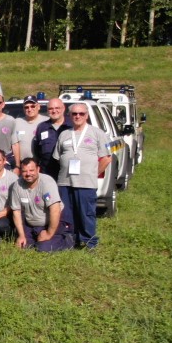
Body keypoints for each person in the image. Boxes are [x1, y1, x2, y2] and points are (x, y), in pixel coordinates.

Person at [52, 102, 110, 249]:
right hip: (65, 182)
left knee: (86, 214)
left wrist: (93, 173)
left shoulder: (97, 133)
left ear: (87, 115)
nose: (78, 116)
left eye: (81, 113)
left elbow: (106, 158)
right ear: (70, 115)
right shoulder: (64, 134)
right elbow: (58, 157)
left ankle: (90, 243)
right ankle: (71, 241)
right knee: (67, 214)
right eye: (74, 114)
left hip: (86, 183)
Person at [9, 158, 74, 252]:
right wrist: (21, 235)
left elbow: (55, 210)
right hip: (31, 224)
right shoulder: (17, 185)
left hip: (53, 222)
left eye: (31, 170)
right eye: (24, 171)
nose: (28, 174)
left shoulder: (47, 182)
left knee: (43, 248)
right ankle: (35, 237)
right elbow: (16, 211)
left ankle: (67, 239)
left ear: (38, 169)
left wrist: (49, 233)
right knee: (25, 246)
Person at [32, 98, 72, 180]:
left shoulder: (72, 125)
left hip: (68, 172)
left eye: (57, 108)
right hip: (47, 172)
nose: (54, 111)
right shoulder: (42, 127)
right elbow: (37, 150)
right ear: (47, 110)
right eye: (51, 108)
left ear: (63, 108)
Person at [15, 95, 47, 160]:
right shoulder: (16, 122)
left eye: (33, 106)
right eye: (26, 107)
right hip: (22, 163)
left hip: (41, 163)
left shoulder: (46, 122)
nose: (29, 109)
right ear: (23, 109)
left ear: (38, 107)